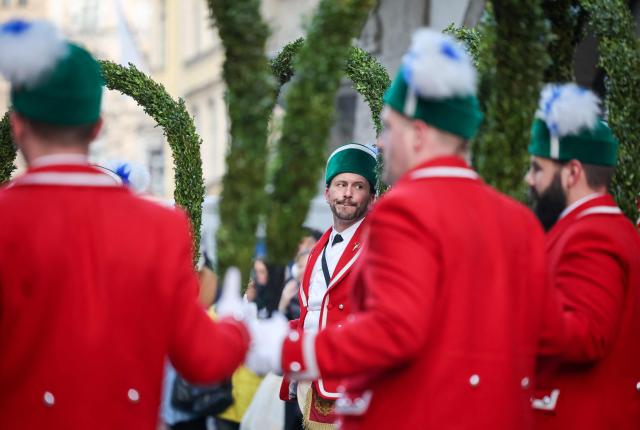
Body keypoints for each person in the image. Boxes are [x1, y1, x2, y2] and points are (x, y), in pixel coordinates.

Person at [271, 28, 556, 429]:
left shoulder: (403, 212)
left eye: (389, 129)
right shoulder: (518, 219)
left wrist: (283, 350)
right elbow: (545, 337)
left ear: (419, 135)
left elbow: (390, 333)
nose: (382, 144)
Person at [0, 19, 249, 429]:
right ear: (96, 127)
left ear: (18, 125)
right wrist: (239, 323)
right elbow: (204, 359)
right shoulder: (161, 227)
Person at [525, 83, 640, 429]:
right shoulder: (593, 228)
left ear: (572, 172)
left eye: (538, 169)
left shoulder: (592, 234)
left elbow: (584, 337)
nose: (529, 180)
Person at [278, 142, 377, 429]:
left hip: (352, 383)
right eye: (340, 184)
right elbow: (311, 312)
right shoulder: (316, 249)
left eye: (358, 186)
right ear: (327, 192)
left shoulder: (380, 243)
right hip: (312, 383)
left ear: (372, 197)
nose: (347, 193)